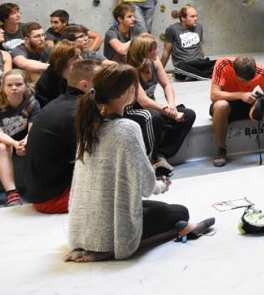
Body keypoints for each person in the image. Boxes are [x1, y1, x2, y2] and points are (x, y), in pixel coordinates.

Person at [65, 64, 214, 262]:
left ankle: (95, 245)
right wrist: (162, 185)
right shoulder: (127, 128)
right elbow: (145, 186)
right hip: (109, 231)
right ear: (124, 93)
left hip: (82, 227)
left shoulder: (88, 125)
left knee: (151, 208)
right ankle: (108, 250)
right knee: (180, 212)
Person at [22, 59, 100, 213]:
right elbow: (92, 160)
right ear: (85, 86)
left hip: (42, 192)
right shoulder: (77, 112)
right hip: (52, 199)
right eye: (103, 80)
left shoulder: (62, 103)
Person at [126, 34, 196, 173]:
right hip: (132, 110)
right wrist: (167, 111)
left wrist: (171, 105)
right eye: (154, 49)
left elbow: (167, 85)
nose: (157, 51)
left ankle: (162, 153)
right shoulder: (130, 70)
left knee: (188, 114)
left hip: (153, 108)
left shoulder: (155, 61)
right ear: (145, 52)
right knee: (153, 117)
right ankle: (152, 158)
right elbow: (143, 101)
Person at [209, 56, 264, 167]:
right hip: (227, 103)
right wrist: (240, 95)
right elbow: (214, 95)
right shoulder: (223, 64)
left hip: (248, 103)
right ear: (235, 72)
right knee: (221, 105)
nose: (248, 82)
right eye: (244, 80)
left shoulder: (261, 72)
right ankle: (221, 149)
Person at [0, 68, 39, 206]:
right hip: (2, 141)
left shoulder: (32, 103)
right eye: (9, 85)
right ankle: (11, 193)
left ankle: (39, 186)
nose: (14, 88)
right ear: (3, 88)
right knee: (2, 147)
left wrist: (25, 142)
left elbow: (33, 129)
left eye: (18, 84)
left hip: (23, 140)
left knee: (40, 142)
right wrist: (15, 144)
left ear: (26, 85)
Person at [160, 5, 216, 81]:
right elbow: (166, 52)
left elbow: (200, 47)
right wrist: (159, 72)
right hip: (183, 65)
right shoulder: (172, 29)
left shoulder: (199, 27)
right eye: (192, 16)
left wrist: (202, 62)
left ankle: (195, 76)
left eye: (196, 16)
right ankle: (207, 76)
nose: (196, 19)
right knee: (181, 69)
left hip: (197, 63)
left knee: (219, 63)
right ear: (183, 18)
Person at [33, 39, 80, 109]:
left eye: (80, 56)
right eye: (76, 57)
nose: (81, 59)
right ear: (62, 61)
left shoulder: (73, 74)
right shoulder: (47, 82)